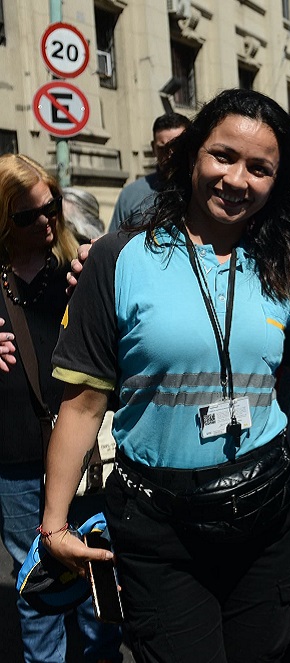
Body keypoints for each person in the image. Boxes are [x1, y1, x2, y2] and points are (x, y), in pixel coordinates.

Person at [40, 88, 290, 662]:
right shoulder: (118, 257)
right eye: (223, 156)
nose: (238, 179)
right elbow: (83, 403)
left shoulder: (285, 262)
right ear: (191, 157)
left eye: (260, 168)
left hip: (266, 515)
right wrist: (55, 524)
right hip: (160, 525)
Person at [0, 154, 122, 663]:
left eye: (51, 207)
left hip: (90, 454)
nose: (46, 221)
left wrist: (99, 292)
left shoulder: (80, 268)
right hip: (18, 460)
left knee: (99, 580)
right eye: (28, 216)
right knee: (41, 586)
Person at [107, 112, 191, 231]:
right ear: (153, 148)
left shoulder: (205, 191)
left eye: (177, 147)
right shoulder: (130, 195)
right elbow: (114, 246)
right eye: (163, 149)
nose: (170, 155)